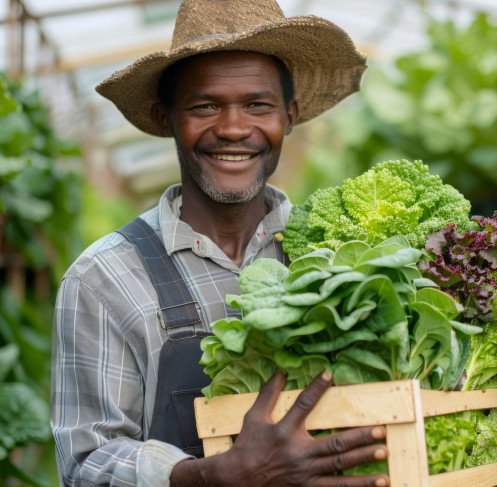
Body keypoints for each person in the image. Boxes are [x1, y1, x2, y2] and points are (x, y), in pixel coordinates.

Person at [51, 0, 391, 486]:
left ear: (289, 116)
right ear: (165, 118)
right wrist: (212, 478)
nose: (233, 128)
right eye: (205, 105)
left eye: (259, 105)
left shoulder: (338, 254)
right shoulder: (103, 279)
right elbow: (85, 465)